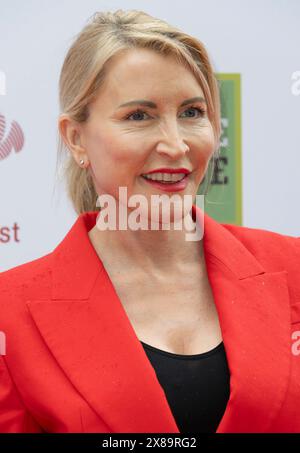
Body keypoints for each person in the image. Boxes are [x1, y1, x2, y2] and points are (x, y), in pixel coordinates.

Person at [0, 9, 300, 434]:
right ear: (76, 138)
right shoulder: (8, 314)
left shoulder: (293, 269)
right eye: (139, 116)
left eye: (192, 112)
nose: (176, 145)